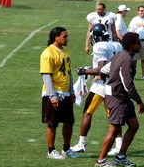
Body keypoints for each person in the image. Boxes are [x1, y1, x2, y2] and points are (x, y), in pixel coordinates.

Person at [71, 24, 123, 156]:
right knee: (113, 117)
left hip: (101, 86)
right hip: (114, 85)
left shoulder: (100, 46)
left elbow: (101, 68)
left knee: (87, 113)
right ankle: (119, 145)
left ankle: (81, 144)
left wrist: (84, 71)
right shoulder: (116, 45)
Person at [95, 32, 144, 167]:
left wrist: (108, 80)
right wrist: (139, 101)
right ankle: (101, 160)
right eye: (138, 43)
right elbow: (127, 84)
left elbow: (104, 70)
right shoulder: (127, 59)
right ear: (131, 45)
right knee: (114, 129)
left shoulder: (119, 55)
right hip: (118, 98)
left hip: (121, 97)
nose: (140, 45)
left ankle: (121, 157)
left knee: (134, 126)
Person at [40, 26, 80, 159]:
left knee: (69, 121)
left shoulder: (65, 51)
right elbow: (46, 76)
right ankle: (51, 151)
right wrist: (52, 96)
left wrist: (72, 90)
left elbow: (68, 72)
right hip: (54, 92)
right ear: (56, 37)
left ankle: (66, 149)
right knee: (52, 122)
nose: (67, 38)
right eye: (64, 36)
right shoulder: (48, 53)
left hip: (66, 92)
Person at [127, 5, 144, 80]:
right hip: (136, 42)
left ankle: (143, 75)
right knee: (134, 59)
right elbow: (130, 31)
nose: (143, 12)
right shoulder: (134, 20)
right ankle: (134, 75)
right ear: (138, 11)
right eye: (141, 10)